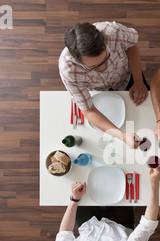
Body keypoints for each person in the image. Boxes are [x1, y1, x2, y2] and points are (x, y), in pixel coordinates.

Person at [59, 21, 149, 149]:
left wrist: (139, 81)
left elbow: (132, 45)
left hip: (127, 77)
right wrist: (123, 136)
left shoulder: (114, 32)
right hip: (99, 90)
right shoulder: (68, 71)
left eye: (105, 59)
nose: (103, 68)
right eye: (93, 67)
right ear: (76, 60)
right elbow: (89, 110)